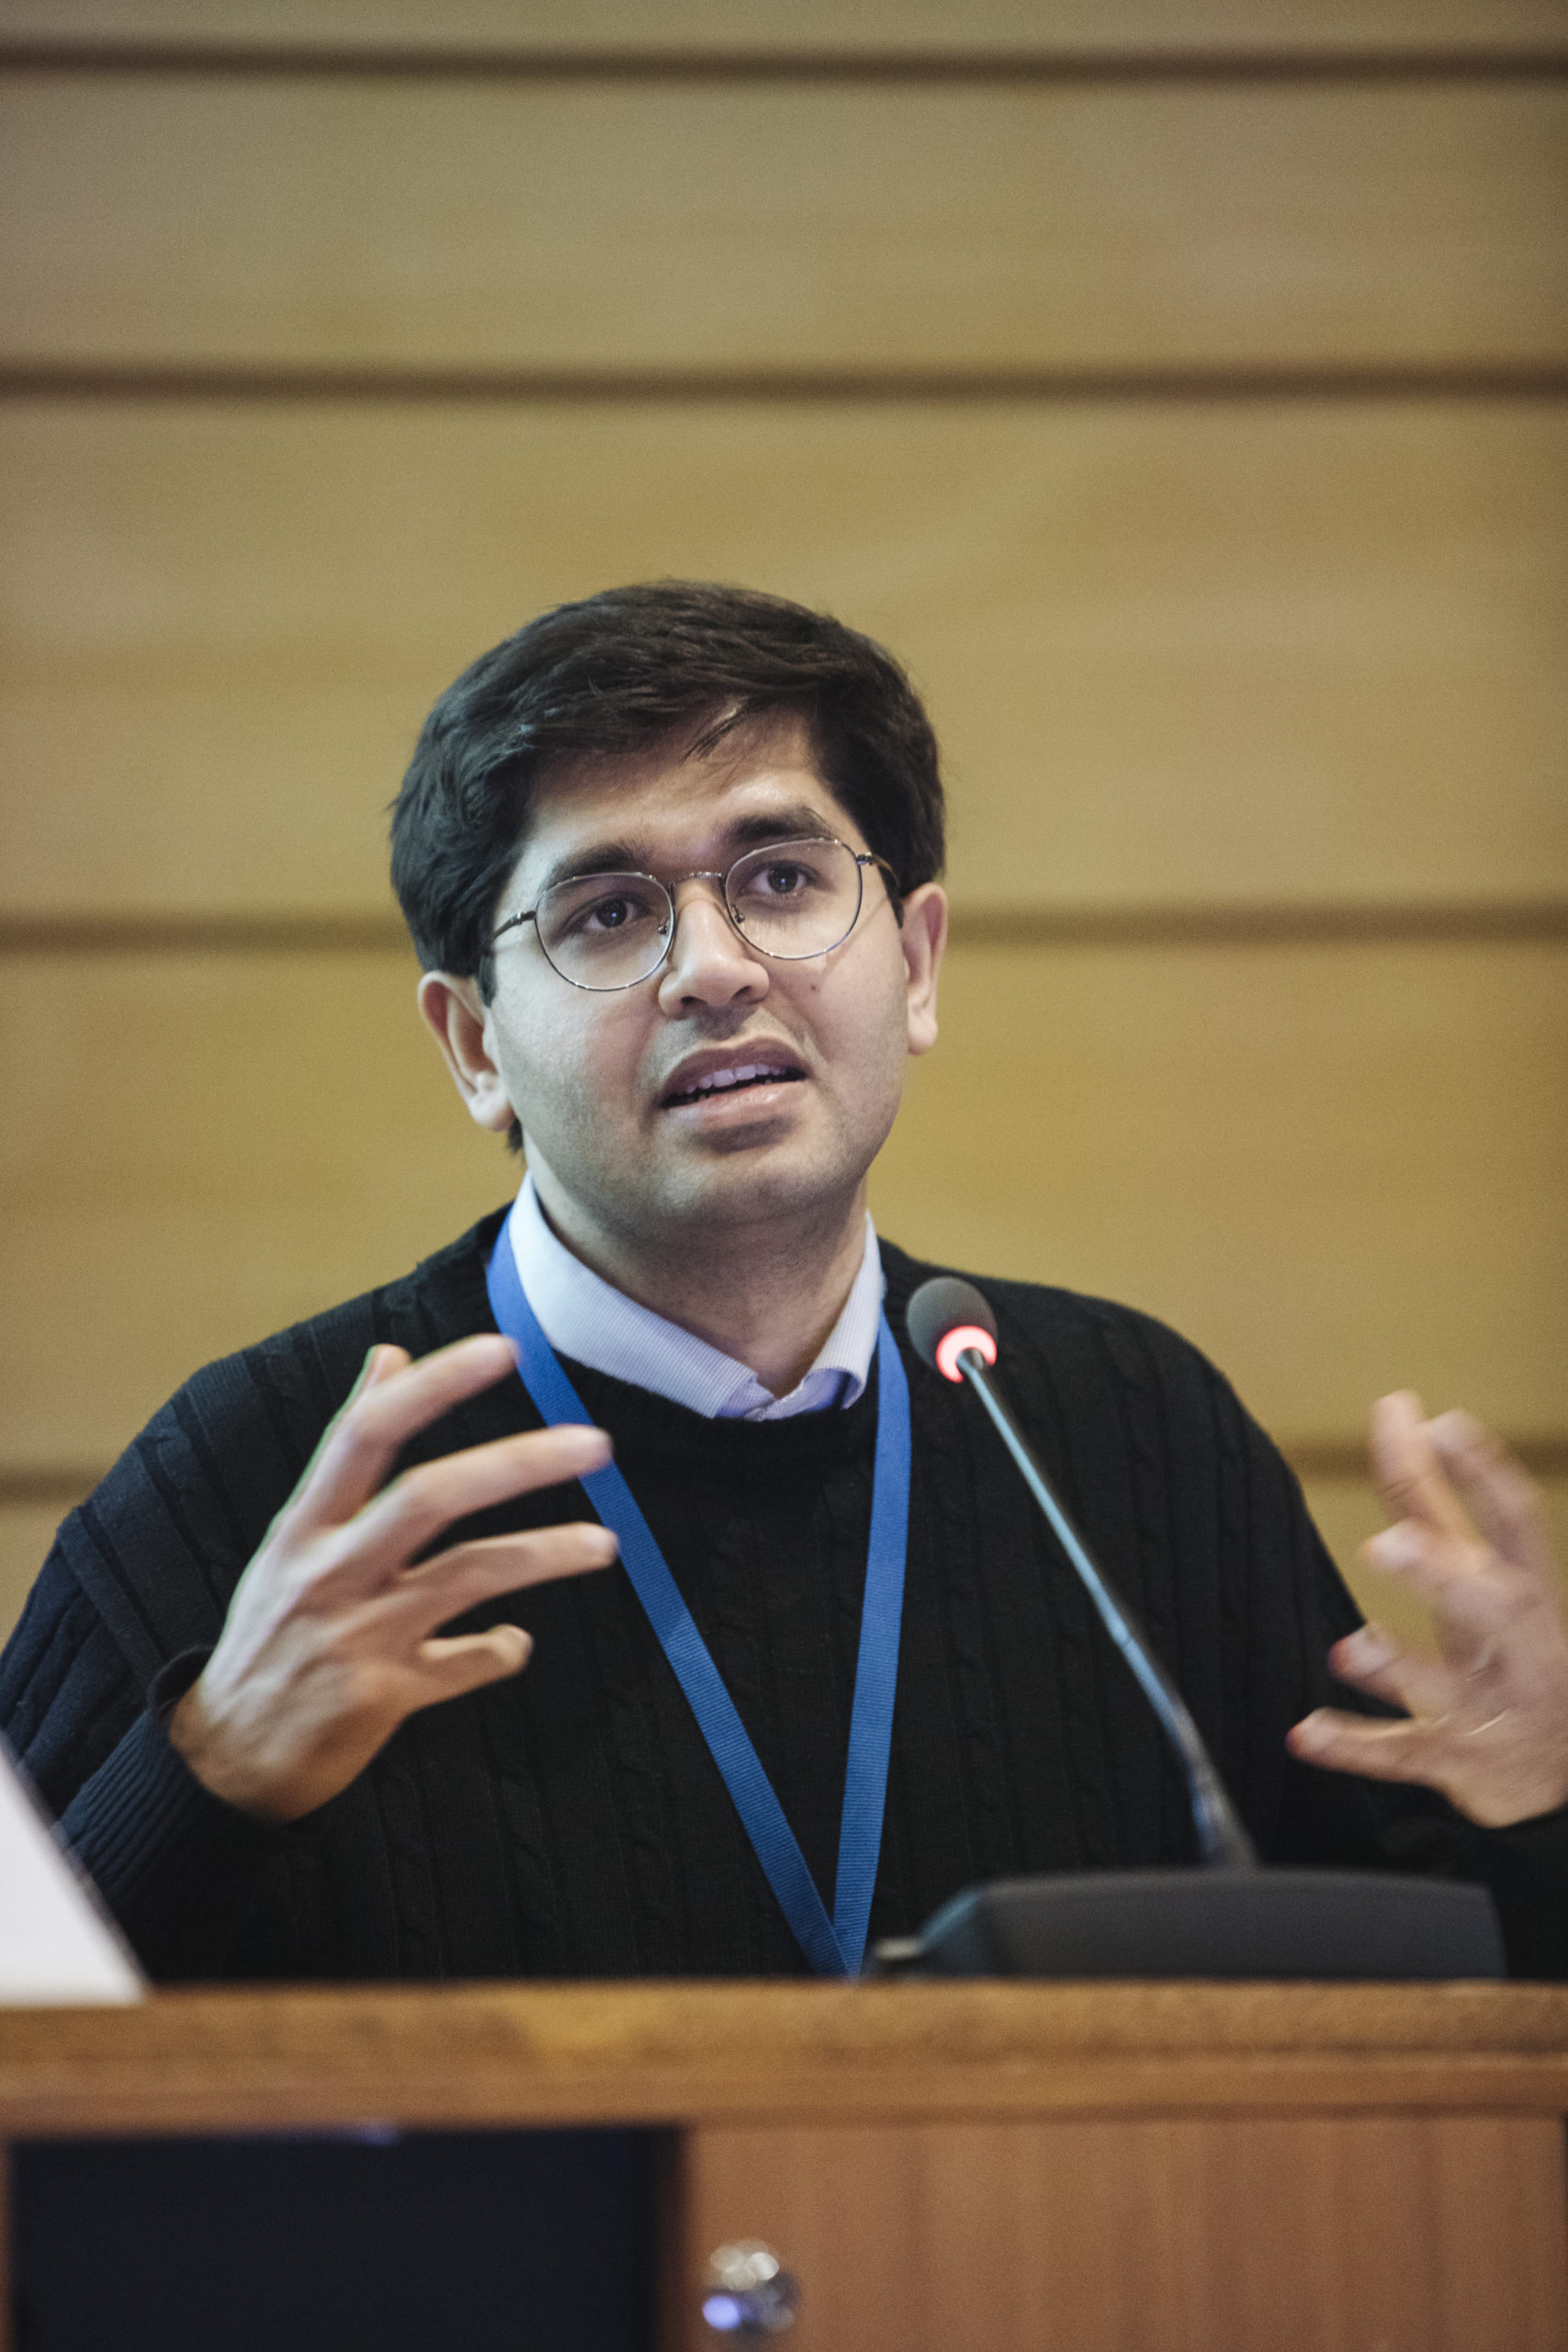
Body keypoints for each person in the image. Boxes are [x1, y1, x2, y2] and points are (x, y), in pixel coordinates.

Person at [4, 582, 1566, 1982]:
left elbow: (1419, 2039)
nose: (715, 967)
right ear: (476, 1046)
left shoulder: (1127, 1437)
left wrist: (1538, 1818)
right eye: (609, 911)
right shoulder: (264, 1487)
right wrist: (204, 1780)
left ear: (918, 963)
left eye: (781, 878)